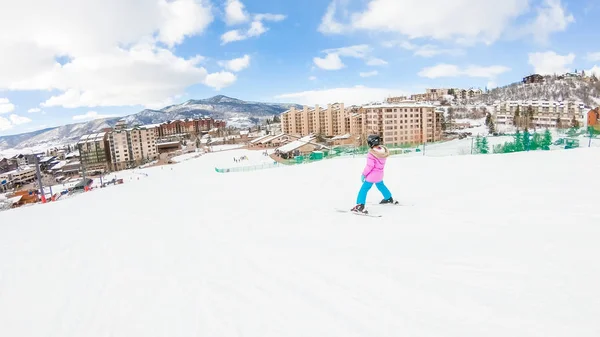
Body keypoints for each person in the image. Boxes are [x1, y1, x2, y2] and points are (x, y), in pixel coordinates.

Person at [351, 134, 395, 213]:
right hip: (380, 175)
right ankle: (388, 197)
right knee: (381, 185)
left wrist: (364, 174)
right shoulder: (382, 151)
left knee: (364, 189)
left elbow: (369, 166)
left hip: (372, 176)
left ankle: (360, 205)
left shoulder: (371, 154)